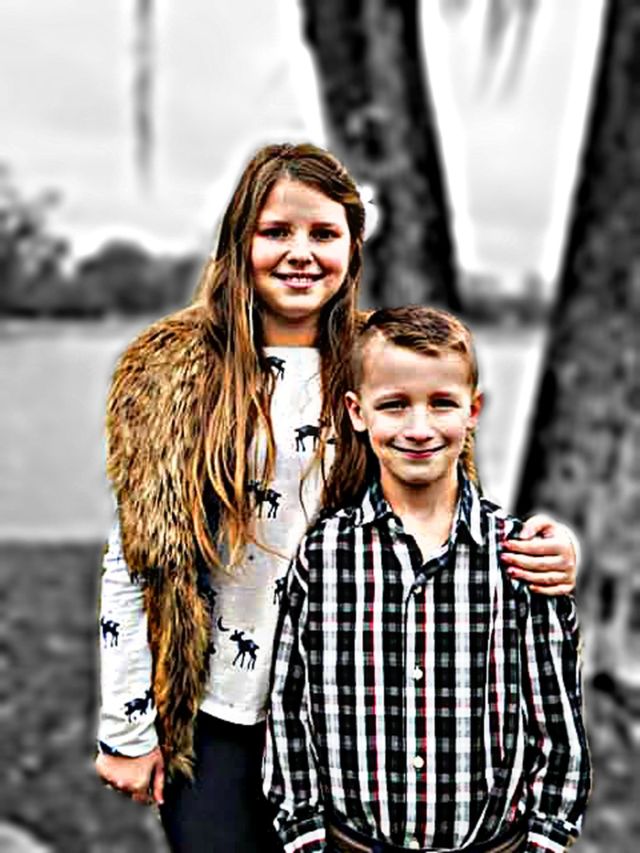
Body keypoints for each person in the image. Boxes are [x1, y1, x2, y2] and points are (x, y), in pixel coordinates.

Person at [94, 143, 579, 852]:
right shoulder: (172, 372)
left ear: (353, 247)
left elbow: (446, 518)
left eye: (323, 233)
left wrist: (544, 550)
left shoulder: (385, 363)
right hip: (217, 711)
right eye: (276, 231)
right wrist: (127, 728)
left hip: (358, 714)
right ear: (240, 241)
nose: (301, 253)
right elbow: (136, 557)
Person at [264, 305, 591, 853]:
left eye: (442, 403)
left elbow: (555, 716)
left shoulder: (519, 556)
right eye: (394, 405)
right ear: (357, 412)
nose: (419, 429)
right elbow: (290, 706)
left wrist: (544, 838)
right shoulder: (324, 555)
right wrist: (306, 834)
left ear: (473, 411)